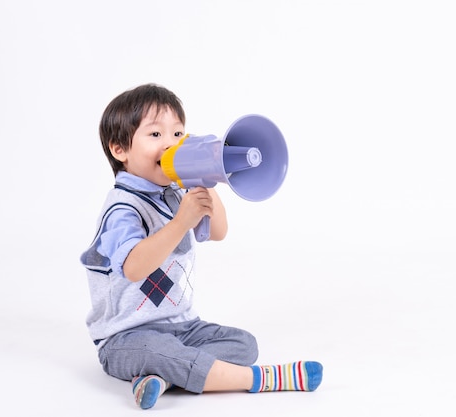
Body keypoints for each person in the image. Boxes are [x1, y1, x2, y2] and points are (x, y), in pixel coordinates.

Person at [80, 83, 323, 410]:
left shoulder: (176, 194)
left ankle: (162, 378)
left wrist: (207, 177)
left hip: (184, 326)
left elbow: (218, 231)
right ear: (119, 149)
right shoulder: (122, 209)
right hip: (126, 338)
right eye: (155, 135)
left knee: (243, 345)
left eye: (178, 134)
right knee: (159, 352)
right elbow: (135, 267)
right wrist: (180, 222)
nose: (170, 144)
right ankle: (260, 379)